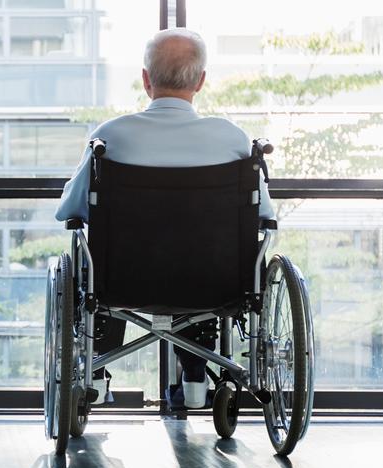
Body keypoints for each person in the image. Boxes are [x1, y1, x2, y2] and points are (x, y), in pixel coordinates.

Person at [55, 28, 274, 408]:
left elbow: (70, 212)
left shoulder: (110, 138)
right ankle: (194, 382)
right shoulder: (232, 140)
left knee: (95, 259)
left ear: (145, 79)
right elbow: (266, 217)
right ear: (201, 81)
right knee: (202, 258)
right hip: (216, 285)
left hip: (122, 284)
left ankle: (95, 373)